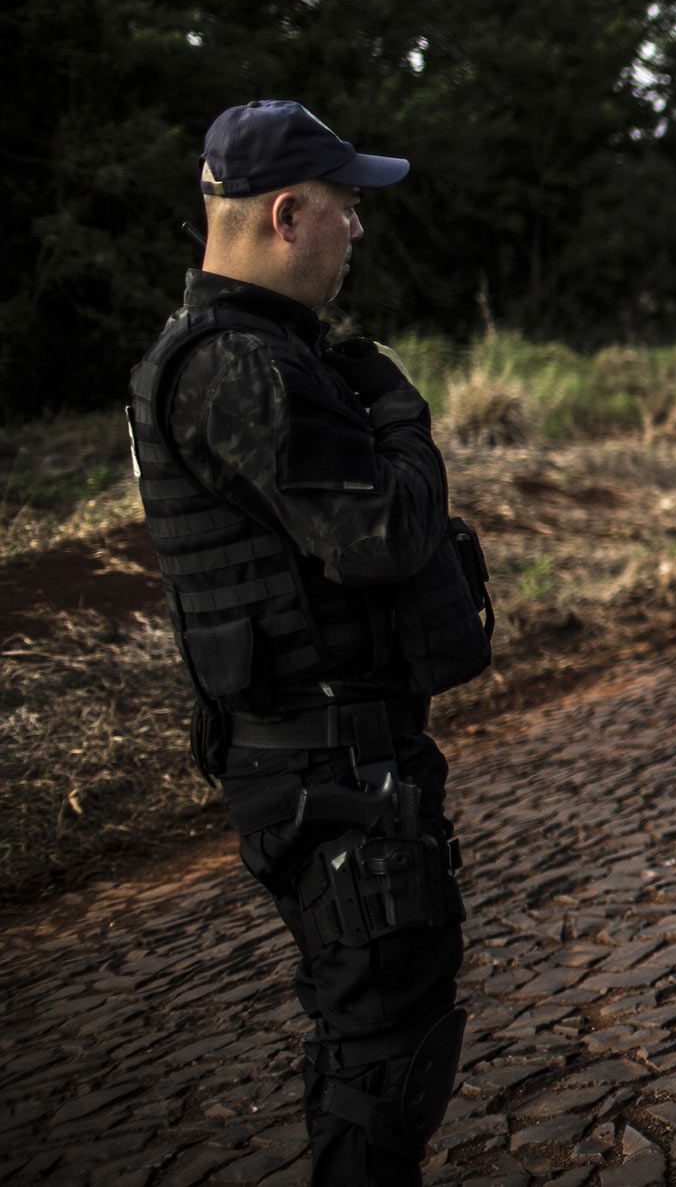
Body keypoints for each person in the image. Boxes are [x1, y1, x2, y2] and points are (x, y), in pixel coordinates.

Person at [128, 101, 490, 1183]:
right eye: (346, 206)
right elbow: (382, 531)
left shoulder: (263, 353)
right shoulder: (238, 365)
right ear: (287, 213)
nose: (359, 228)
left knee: (378, 1028)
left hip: (337, 755)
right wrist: (402, 418)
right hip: (326, 768)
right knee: (385, 1051)